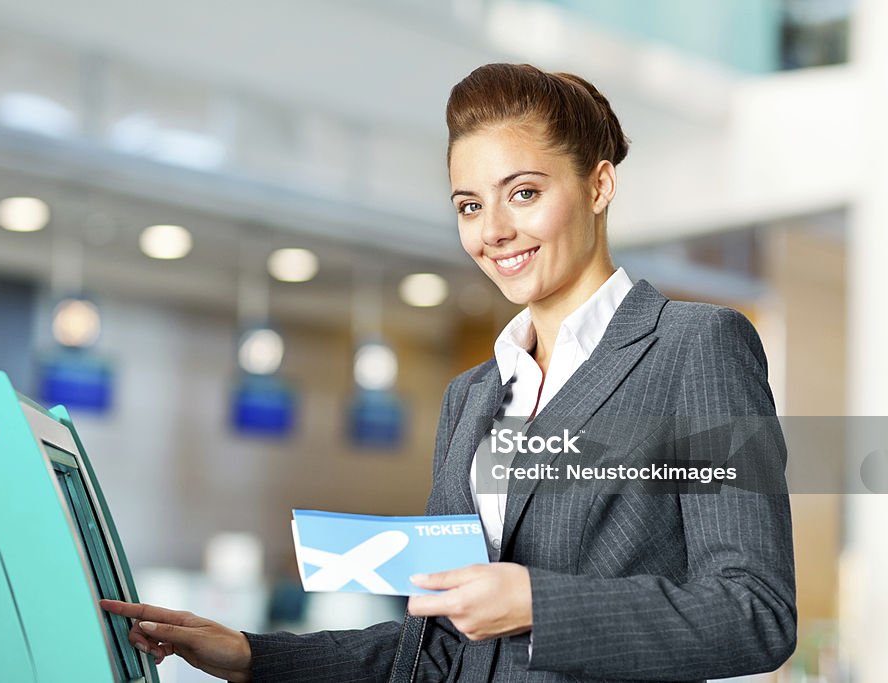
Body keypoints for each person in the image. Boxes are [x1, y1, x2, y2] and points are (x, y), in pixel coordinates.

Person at [102, 63, 796, 682]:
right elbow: (434, 650)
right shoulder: (474, 395)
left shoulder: (694, 348)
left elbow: (752, 611)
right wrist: (254, 654)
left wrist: (533, 602)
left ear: (598, 185)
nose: (491, 230)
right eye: (469, 204)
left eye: (522, 193)